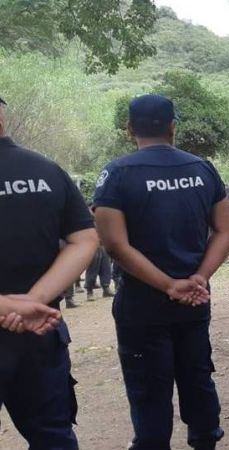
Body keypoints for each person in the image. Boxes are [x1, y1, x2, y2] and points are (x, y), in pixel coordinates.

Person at [93, 94, 229, 450]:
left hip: (143, 307)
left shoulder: (117, 174)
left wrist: (169, 285)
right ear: (173, 126)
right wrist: (199, 277)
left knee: (149, 390)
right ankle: (205, 441)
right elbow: (225, 229)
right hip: (195, 301)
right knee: (197, 378)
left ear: (129, 129)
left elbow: (114, 245)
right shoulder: (202, 169)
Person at [0, 94, 99, 449]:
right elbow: (85, 238)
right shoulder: (46, 170)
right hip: (41, 327)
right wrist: (33, 301)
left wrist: (10, 307)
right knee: (52, 437)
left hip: (33, 321)